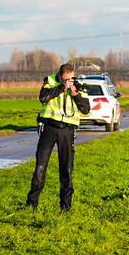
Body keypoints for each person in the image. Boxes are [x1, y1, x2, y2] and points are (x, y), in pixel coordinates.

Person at [26, 63, 90, 211]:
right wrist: (62, 87)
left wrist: (75, 94)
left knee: (66, 168)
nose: (70, 81)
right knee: (40, 166)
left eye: (72, 78)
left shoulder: (79, 85)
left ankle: (66, 206)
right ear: (60, 77)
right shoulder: (50, 81)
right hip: (49, 127)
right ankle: (31, 204)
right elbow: (43, 97)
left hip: (67, 130)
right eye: (67, 79)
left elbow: (86, 109)